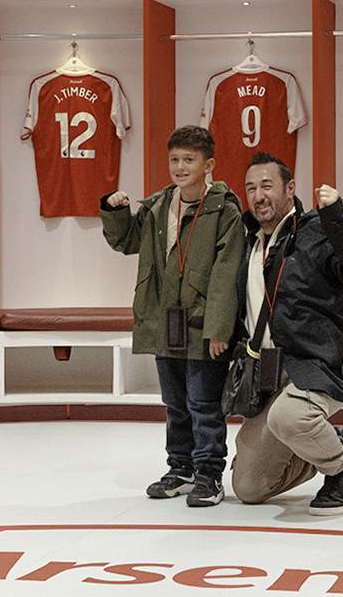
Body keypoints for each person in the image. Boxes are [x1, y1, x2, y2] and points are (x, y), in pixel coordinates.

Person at [230, 152, 343, 517]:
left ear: (290, 188)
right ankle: (336, 441)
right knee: (249, 488)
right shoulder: (249, 240)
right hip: (270, 368)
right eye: (251, 188)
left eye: (267, 185)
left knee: (288, 418)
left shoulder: (318, 230)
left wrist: (338, 217)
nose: (258, 195)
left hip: (318, 361)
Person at [102, 125, 244, 506]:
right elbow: (126, 241)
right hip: (165, 321)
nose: (180, 167)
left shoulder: (224, 210)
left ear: (208, 164)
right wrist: (116, 211)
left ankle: (210, 473)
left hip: (201, 326)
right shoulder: (158, 206)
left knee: (203, 403)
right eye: (174, 160)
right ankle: (180, 467)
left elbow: (226, 274)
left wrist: (218, 330)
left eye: (189, 160)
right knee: (175, 403)